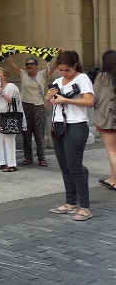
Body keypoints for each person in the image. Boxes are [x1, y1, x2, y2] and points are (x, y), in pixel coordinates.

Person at [45, 51, 95, 221]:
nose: (64, 73)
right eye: (61, 70)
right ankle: (70, 203)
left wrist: (66, 100)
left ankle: (85, 207)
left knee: (75, 167)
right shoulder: (57, 82)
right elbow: (47, 107)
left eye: (67, 70)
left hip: (76, 124)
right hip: (58, 125)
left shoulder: (82, 79)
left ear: (74, 66)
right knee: (65, 167)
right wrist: (48, 98)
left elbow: (90, 101)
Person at [6, 55, 58, 166]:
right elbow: (12, 64)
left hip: (39, 106)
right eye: (27, 64)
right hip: (25, 106)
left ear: (36, 66)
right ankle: (28, 157)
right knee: (26, 133)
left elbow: (54, 66)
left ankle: (41, 158)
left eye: (31, 64)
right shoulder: (23, 74)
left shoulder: (42, 74)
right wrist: (7, 54)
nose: (29, 66)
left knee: (39, 133)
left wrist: (59, 54)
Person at [0, 67, 25, 172]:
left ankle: (12, 164)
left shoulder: (11, 86)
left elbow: (14, 101)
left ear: (5, 76)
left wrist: (2, 94)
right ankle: (0, 162)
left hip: (8, 117)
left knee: (9, 140)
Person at [93, 50, 116, 190]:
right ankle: (112, 177)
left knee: (111, 150)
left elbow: (94, 97)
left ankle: (115, 180)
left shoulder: (102, 77)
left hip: (107, 117)